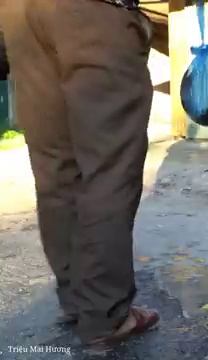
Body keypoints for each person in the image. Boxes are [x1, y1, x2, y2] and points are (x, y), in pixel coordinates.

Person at [1, 0, 159, 348]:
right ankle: (105, 314)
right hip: (90, 11)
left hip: (17, 12)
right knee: (109, 168)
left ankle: (77, 299)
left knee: (55, 166)